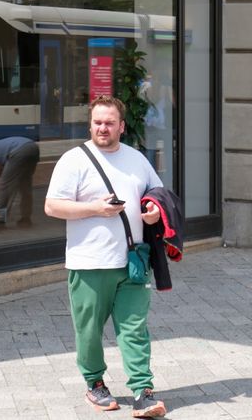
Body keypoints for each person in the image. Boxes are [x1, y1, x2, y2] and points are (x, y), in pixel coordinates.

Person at [44, 95, 167, 417]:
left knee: (134, 328)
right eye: (98, 122)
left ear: (121, 126)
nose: (103, 127)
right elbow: (52, 206)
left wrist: (153, 211)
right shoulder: (74, 160)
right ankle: (95, 383)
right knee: (89, 330)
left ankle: (143, 390)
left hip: (132, 261)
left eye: (110, 122)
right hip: (89, 262)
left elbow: (156, 194)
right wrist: (94, 209)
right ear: (90, 125)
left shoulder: (137, 159)